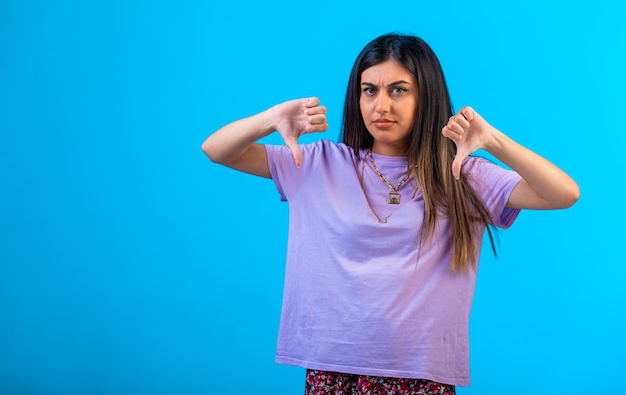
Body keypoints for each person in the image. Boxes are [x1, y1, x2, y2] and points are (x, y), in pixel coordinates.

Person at [201, 33, 579, 394]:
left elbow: (563, 193)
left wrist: (492, 140)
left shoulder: (461, 173)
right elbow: (217, 150)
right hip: (334, 370)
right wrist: (270, 119)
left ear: (426, 96)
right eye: (369, 91)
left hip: (420, 375)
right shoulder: (317, 163)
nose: (381, 106)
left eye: (398, 90)